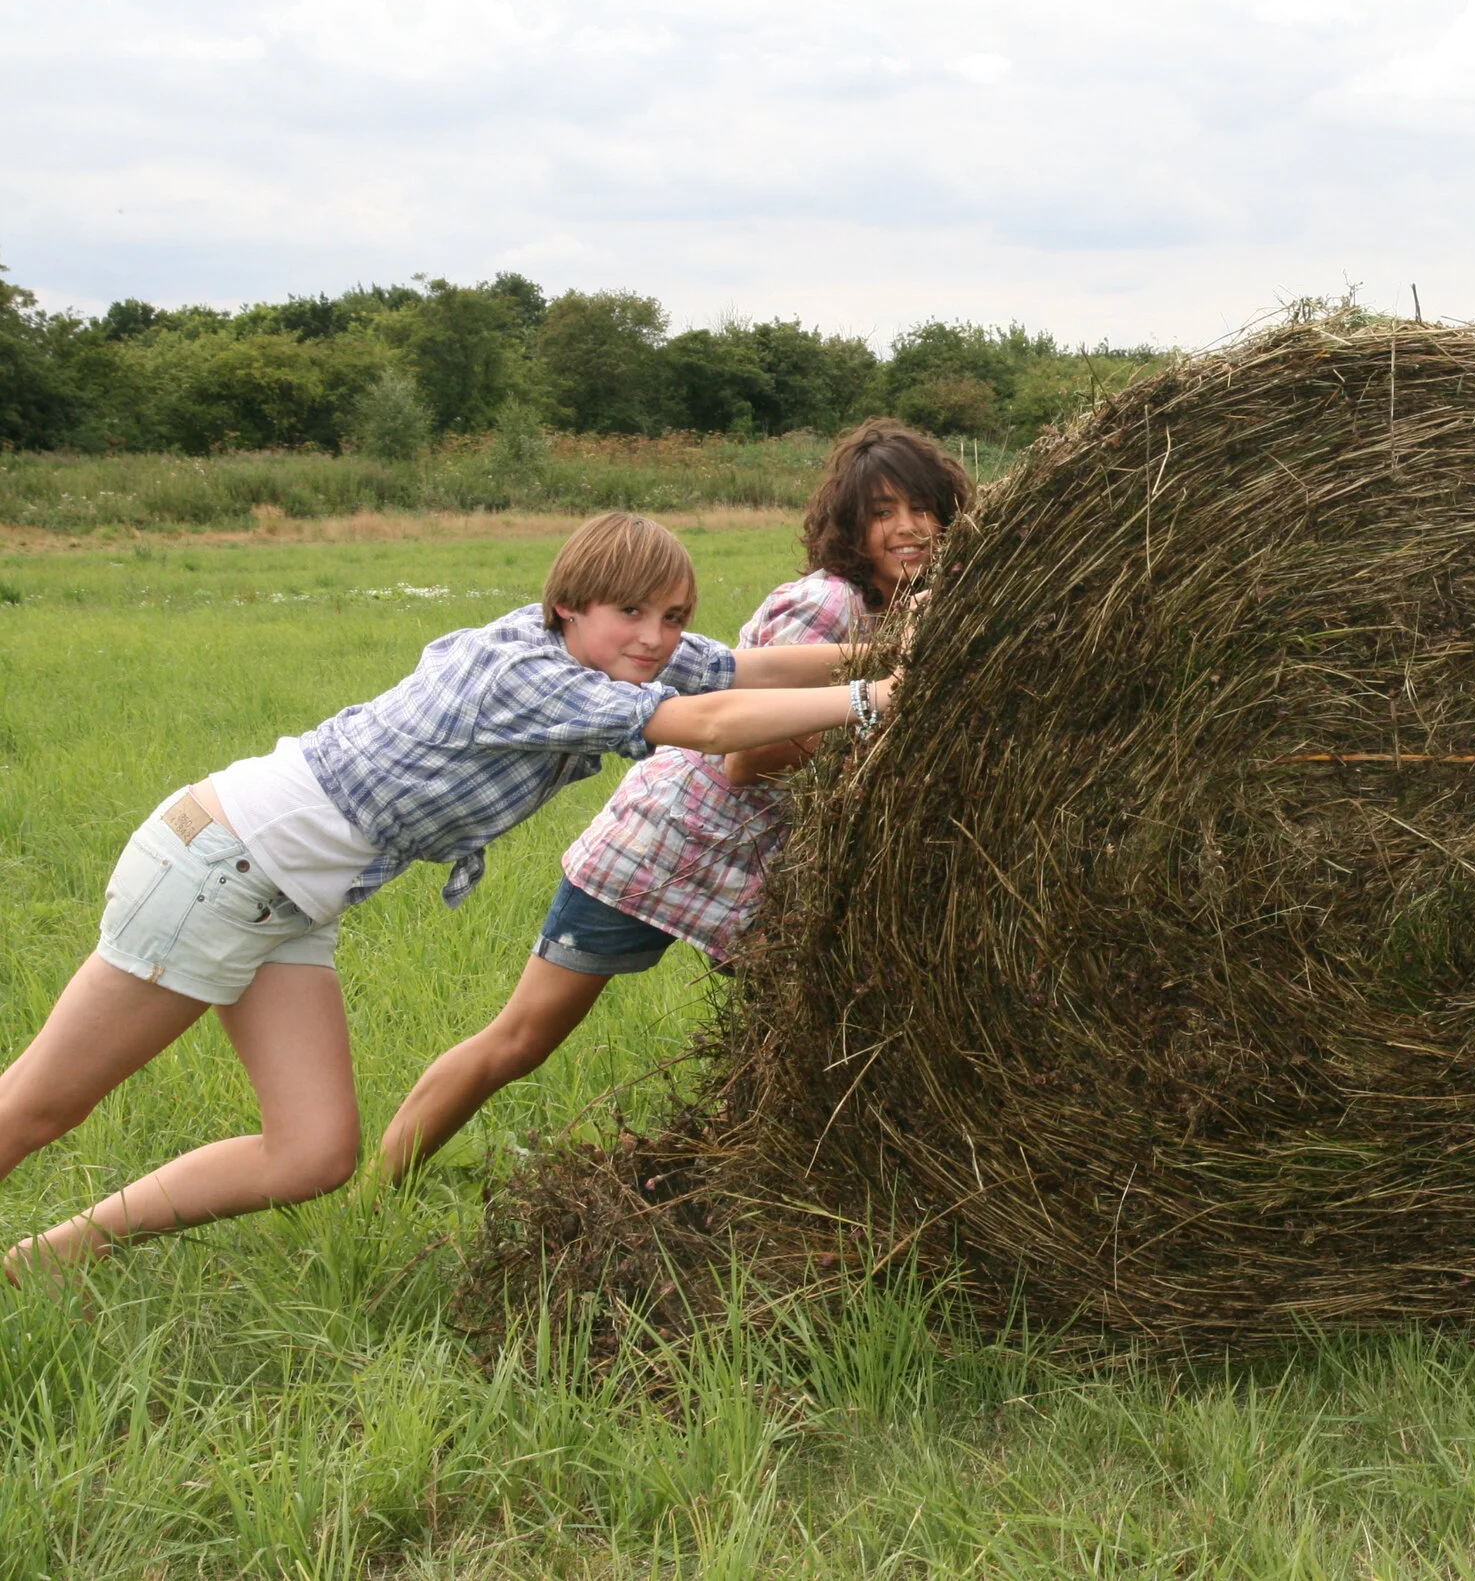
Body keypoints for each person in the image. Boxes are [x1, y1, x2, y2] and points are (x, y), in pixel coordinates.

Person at [0, 511, 889, 1279]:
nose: (655, 638)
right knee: (44, 1102)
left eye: (672, 617)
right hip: (223, 864)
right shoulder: (522, 674)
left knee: (311, 1155)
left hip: (292, 898)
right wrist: (873, 697)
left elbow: (739, 669)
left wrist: (891, 648)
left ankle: (52, 1257)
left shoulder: (601, 654)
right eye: (633, 612)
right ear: (569, 603)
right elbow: (709, 722)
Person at [378, 421, 972, 1179]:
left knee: (821, 1026)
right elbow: (742, 760)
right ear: (850, 526)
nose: (909, 527)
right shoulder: (827, 603)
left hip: (758, 872)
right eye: (883, 511)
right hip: (664, 847)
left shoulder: (913, 612)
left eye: (923, 506)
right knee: (522, 1038)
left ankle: (776, 1174)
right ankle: (378, 1188)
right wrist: (878, 717)